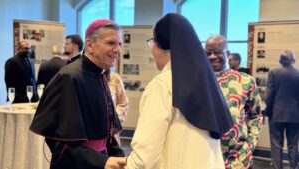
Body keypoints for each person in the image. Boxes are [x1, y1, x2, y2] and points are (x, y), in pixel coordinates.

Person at [126, 13, 233, 169]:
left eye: (152, 42)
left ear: (162, 45)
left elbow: (144, 158)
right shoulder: (206, 83)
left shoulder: (162, 84)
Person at [30, 19, 126, 169]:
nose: (117, 50)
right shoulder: (69, 77)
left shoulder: (99, 75)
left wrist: (118, 155)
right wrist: (101, 161)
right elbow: (58, 142)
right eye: (111, 43)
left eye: (119, 44)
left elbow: (106, 132)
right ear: (89, 45)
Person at [205, 35, 263, 169]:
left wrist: (250, 145)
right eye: (208, 53)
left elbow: (255, 115)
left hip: (238, 158)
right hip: (205, 156)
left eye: (217, 52)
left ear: (227, 53)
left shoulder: (245, 80)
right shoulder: (197, 81)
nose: (212, 56)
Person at [265, 50, 299, 169]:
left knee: (276, 145)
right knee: (293, 144)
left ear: (280, 60)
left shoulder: (273, 72)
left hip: (276, 114)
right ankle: (293, 167)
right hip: (295, 116)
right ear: (293, 60)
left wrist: (268, 111)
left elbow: (269, 95)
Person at [105, 69, 129, 145]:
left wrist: (114, 120)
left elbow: (123, 103)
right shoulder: (87, 77)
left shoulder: (114, 78)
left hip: (111, 133)